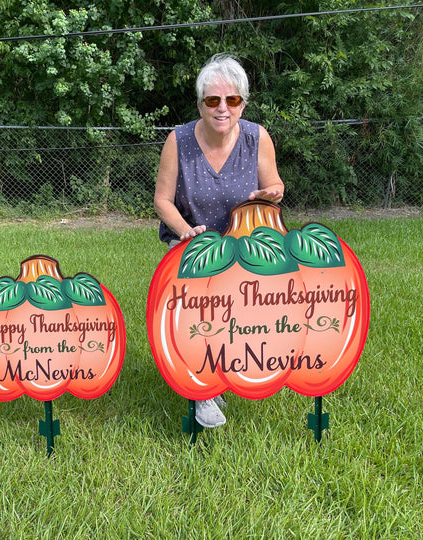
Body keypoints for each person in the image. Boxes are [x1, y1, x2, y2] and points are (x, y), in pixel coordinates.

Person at [153, 53, 285, 428]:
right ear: (200, 104)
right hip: (191, 244)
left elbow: (274, 183)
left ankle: (216, 377)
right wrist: (184, 232)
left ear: (243, 104)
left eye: (232, 100)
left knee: (240, 317)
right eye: (213, 100)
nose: (222, 108)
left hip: (242, 243)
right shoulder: (177, 141)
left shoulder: (257, 137)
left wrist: (271, 193)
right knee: (198, 316)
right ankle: (202, 392)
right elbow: (162, 200)